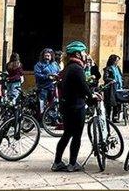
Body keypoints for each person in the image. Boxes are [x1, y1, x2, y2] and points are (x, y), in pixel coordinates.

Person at [51, 41, 93, 172]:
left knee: (67, 134)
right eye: (84, 52)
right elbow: (83, 87)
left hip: (67, 105)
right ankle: (73, 163)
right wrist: (92, 96)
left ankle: (57, 162)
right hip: (76, 106)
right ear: (77, 54)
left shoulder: (69, 67)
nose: (85, 54)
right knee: (76, 136)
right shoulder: (77, 68)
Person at [35, 48, 61, 114]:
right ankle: (40, 119)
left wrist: (57, 76)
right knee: (42, 104)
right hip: (43, 88)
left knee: (53, 104)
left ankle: (52, 119)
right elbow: (37, 75)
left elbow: (59, 72)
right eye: (45, 55)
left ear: (51, 56)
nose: (47, 57)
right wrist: (47, 76)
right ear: (43, 56)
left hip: (53, 87)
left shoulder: (55, 64)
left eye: (48, 56)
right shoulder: (39, 65)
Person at [103, 54, 123, 123]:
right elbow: (105, 78)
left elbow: (120, 76)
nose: (117, 62)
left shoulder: (118, 68)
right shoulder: (108, 68)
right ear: (113, 61)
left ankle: (114, 117)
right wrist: (112, 80)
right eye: (116, 61)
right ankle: (107, 117)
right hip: (110, 88)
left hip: (117, 88)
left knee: (117, 102)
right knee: (109, 103)